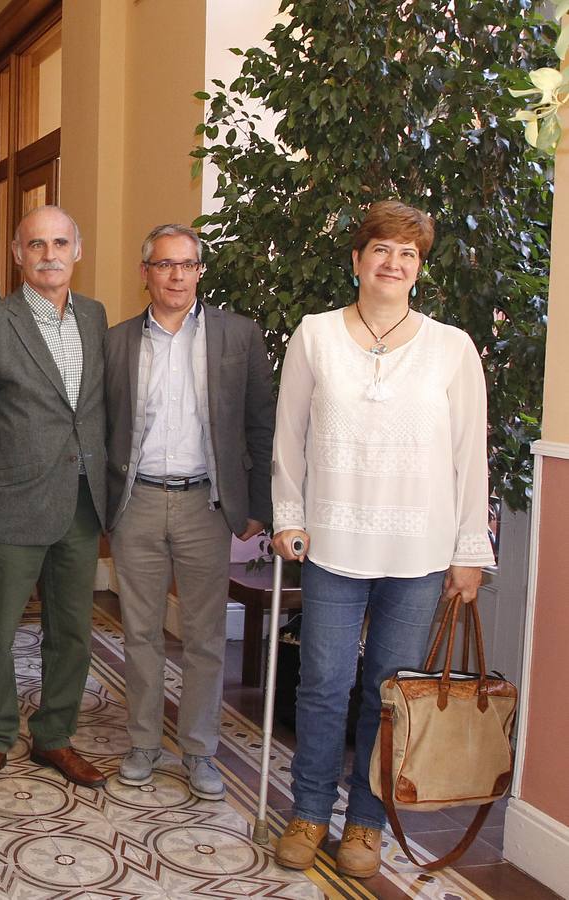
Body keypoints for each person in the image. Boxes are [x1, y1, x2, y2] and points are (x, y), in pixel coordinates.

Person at [270, 200, 493, 879]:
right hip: (334, 541)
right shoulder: (314, 336)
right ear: (358, 259)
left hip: (420, 552)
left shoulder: (451, 348)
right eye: (382, 250)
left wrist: (468, 552)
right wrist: (288, 515)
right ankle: (310, 811)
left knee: (389, 691)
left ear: (418, 269)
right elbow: (290, 436)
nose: (394, 263)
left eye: (408, 254)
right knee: (324, 684)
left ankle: (365, 823)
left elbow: (468, 457)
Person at [102, 224, 275, 801]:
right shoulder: (118, 340)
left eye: (187, 264)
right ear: (145, 272)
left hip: (207, 503)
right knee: (141, 632)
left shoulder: (240, 337)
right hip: (139, 503)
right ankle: (144, 742)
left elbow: (260, 422)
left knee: (204, 636)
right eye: (164, 264)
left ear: (200, 271)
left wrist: (259, 506)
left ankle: (201, 749)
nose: (176, 275)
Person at [0, 205, 108, 796]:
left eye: (60, 242)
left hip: (81, 505)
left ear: (77, 250)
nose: (49, 255)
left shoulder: (94, 317)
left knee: (72, 631)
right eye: (36, 244)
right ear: (18, 254)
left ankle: (55, 735)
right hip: (9, 505)